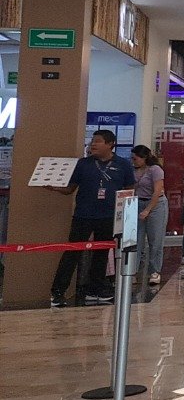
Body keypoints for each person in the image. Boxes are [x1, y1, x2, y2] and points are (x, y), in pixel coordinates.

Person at [48, 130, 136, 307]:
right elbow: (70, 189)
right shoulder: (83, 164)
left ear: (110, 144)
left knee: (101, 253)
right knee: (72, 252)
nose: (92, 144)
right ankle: (58, 291)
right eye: (92, 141)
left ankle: (95, 289)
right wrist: (55, 187)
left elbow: (129, 190)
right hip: (83, 215)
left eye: (97, 141)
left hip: (109, 216)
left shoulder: (123, 165)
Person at [131, 145, 167, 288]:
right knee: (136, 240)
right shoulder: (133, 170)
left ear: (144, 157)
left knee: (155, 239)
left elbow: (157, 191)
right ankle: (133, 271)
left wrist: (148, 210)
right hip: (138, 202)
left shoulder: (155, 170)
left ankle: (155, 271)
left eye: (135, 158)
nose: (133, 161)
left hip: (156, 205)